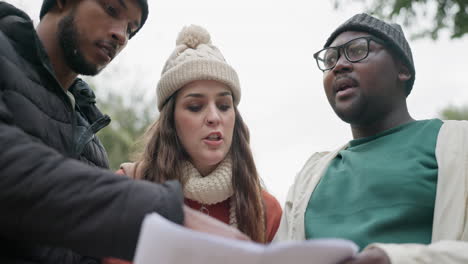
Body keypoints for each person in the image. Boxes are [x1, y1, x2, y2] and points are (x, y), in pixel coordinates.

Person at [0, 1, 248, 264]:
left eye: (131, 29)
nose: (121, 35)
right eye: (112, 9)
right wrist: (163, 215)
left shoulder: (91, 144)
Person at [274, 13, 468, 264]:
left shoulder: (458, 143)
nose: (338, 65)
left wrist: (393, 259)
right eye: (330, 59)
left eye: (357, 50)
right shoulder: (310, 176)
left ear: (403, 69)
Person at [116, 24, 282, 243]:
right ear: (171, 120)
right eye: (195, 106)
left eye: (224, 106)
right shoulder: (129, 188)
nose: (214, 117)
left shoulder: (266, 210)